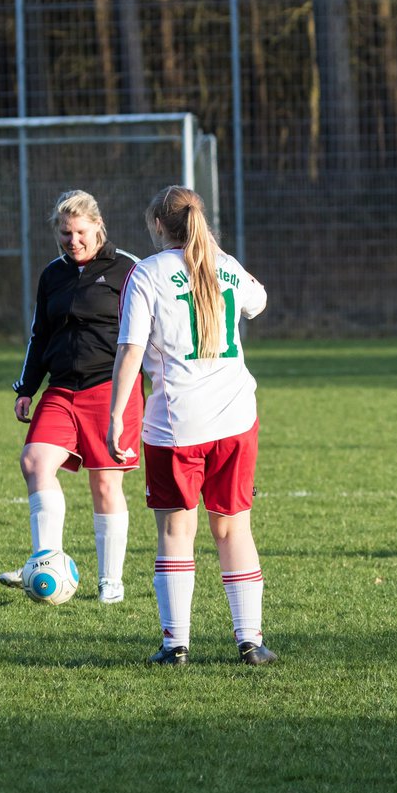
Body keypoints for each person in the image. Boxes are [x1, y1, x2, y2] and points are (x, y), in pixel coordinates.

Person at [106, 185, 275, 665]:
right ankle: (251, 642)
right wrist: (217, 253)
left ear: (159, 226)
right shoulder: (225, 264)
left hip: (176, 424)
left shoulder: (147, 273)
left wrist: (116, 415)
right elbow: (258, 301)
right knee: (234, 529)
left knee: (176, 533)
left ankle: (175, 645)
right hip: (236, 418)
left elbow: (131, 350)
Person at [0, 189, 143, 604]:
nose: (73, 240)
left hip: (111, 389)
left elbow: (151, 332)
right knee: (35, 462)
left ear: (98, 226)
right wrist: (27, 387)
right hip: (61, 388)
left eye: (80, 231)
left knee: (105, 484)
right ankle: (46, 560)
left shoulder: (128, 269)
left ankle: (110, 583)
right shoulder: (53, 274)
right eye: (65, 233)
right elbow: (39, 335)